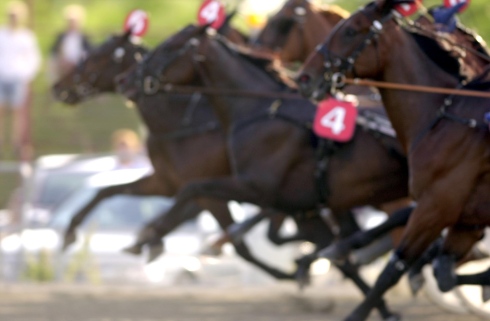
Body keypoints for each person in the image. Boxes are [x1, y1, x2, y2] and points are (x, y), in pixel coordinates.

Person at [0, 1, 41, 158]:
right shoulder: (1, 34)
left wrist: (26, 75)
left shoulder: (26, 37)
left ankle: (18, 143)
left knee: (20, 112)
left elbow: (33, 59)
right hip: (1, 76)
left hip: (18, 77)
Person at [50, 4, 91, 79]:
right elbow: (53, 53)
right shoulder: (61, 37)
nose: (72, 23)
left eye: (74, 21)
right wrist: (62, 61)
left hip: (79, 69)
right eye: (70, 21)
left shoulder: (84, 37)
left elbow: (89, 53)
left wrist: (77, 62)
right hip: (61, 69)